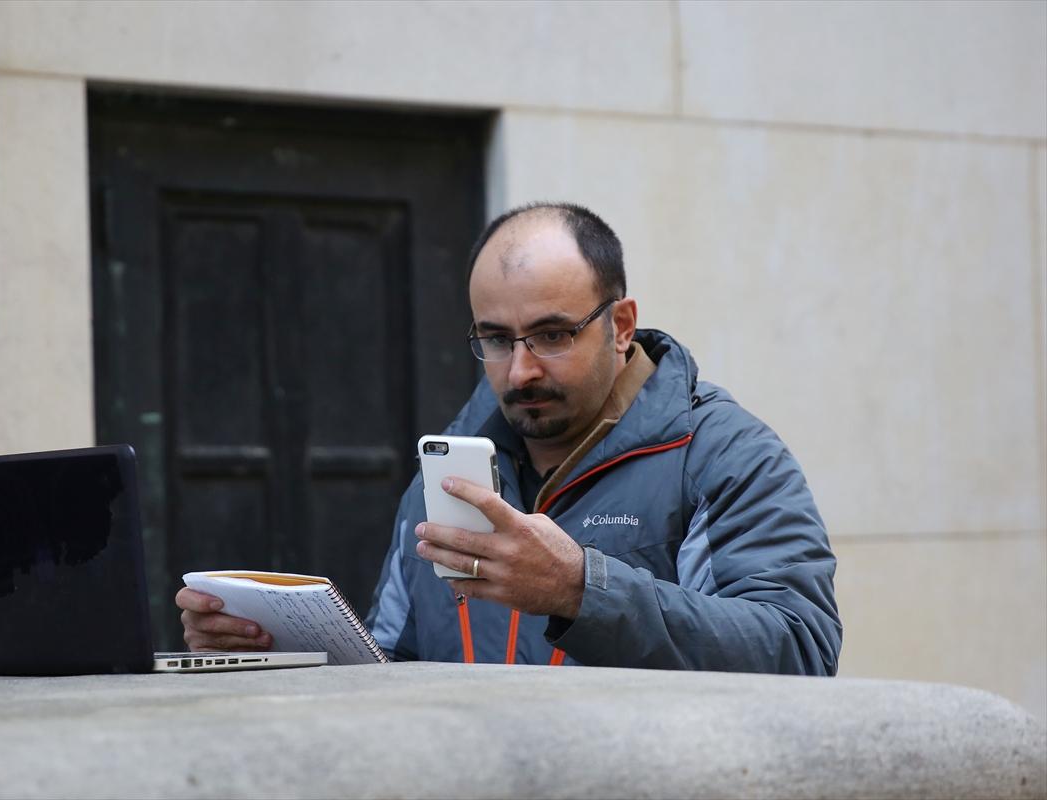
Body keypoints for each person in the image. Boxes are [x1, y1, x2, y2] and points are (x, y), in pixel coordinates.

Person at [176, 202, 842, 674]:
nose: (519, 370)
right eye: (495, 338)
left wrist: (582, 589)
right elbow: (393, 668)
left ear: (621, 325)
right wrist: (271, 651)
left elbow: (800, 651)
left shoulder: (725, 456)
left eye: (553, 334)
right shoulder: (447, 466)